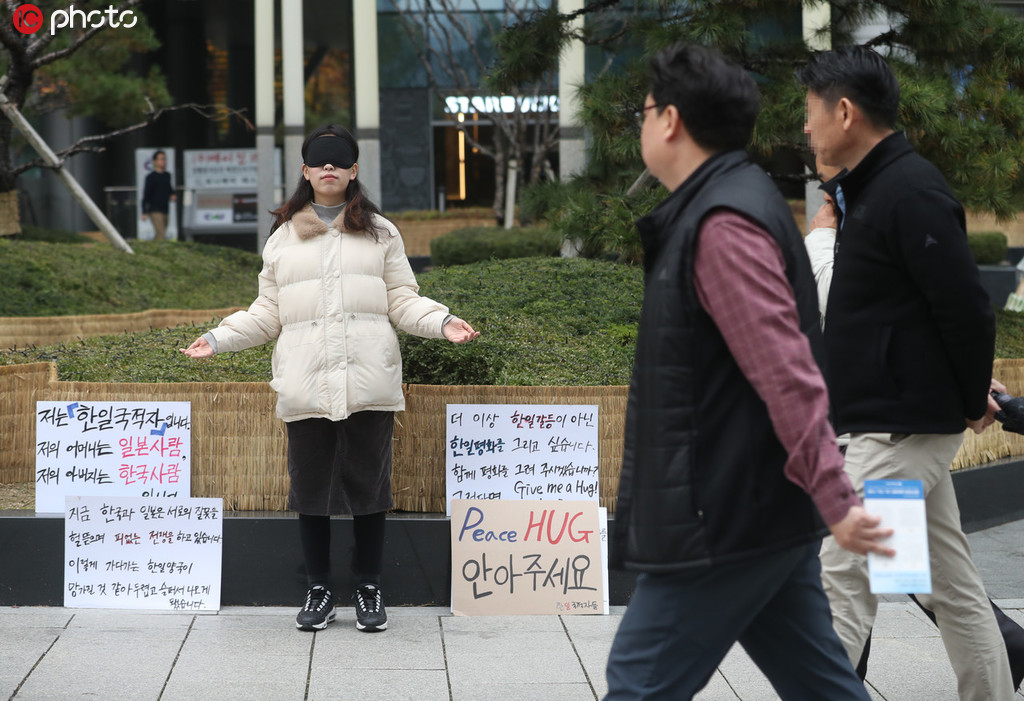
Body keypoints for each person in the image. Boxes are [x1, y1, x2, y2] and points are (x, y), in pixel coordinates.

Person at [605, 43, 893, 700]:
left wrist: (834, 494)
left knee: (638, 682)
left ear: (671, 120)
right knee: (822, 684)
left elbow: (785, 369)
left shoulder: (722, 223)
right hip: (756, 505)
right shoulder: (730, 200)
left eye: (645, 111)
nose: (641, 124)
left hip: (722, 514)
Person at [180, 124, 480, 633]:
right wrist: (220, 337)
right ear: (304, 171)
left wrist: (441, 320)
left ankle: (369, 587)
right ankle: (318, 589)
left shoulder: (381, 232)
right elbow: (267, 312)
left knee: (370, 490)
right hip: (305, 382)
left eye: (339, 162)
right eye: (319, 162)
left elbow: (402, 299)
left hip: (368, 380)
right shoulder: (282, 238)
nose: (328, 169)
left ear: (354, 171)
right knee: (311, 491)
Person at [799, 46, 1015, 701]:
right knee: (954, 592)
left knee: (841, 573)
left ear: (844, 112)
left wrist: (964, 396)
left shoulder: (909, 189)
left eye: (809, 114)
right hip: (892, 422)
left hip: (898, 430)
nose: (804, 129)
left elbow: (967, 309)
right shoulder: (867, 191)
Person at [141, 150, 176, 241]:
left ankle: (149, 250)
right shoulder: (151, 177)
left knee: (160, 234)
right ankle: (162, 253)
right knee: (161, 234)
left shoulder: (167, 175)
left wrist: (172, 194)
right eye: (161, 159)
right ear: (155, 161)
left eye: (164, 159)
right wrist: (144, 211)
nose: (163, 161)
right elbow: (146, 194)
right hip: (154, 209)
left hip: (165, 208)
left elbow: (169, 189)